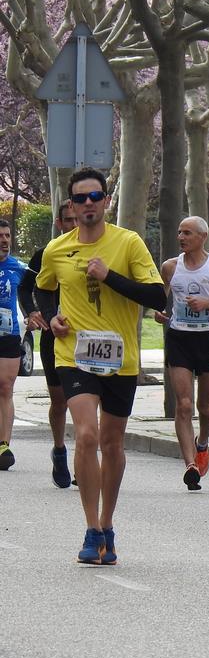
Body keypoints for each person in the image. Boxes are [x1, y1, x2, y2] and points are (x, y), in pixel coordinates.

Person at [35, 167, 167, 565]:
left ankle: (108, 523)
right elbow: (42, 288)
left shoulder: (129, 244)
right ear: (71, 206)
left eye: (96, 197)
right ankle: (92, 529)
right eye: (81, 199)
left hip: (120, 360)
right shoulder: (57, 249)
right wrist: (50, 317)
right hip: (74, 356)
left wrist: (109, 276)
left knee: (111, 443)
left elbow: (157, 297)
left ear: (106, 201)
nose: (89, 204)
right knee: (88, 436)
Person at [154, 217, 209, 490]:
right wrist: (160, 313)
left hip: (208, 339)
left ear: (202, 236)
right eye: (179, 232)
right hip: (179, 339)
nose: (181, 237)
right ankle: (190, 464)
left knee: (205, 406)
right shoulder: (170, 267)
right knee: (183, 404)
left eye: (188, 233)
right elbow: (161, 300)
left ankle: (202, 444)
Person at [19, 201, 79, 486]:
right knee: (59, 401)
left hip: (87, 340)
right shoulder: (47, 253)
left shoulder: (99, 253)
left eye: (77, 220)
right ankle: (59, 449)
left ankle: (84, 459)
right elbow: (25, 287)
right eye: (68, 220)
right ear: (59, 223)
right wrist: (32, 311)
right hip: (54, 338)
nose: (74, 225)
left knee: (84, 401)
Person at [0, 218, 29, 471]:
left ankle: (3, 445)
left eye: (7, 236)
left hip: (9, 334)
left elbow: (38, 288)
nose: (4, 240)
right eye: (0, 236)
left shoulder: (19, 267)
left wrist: (35, 312)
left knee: (6, 387)